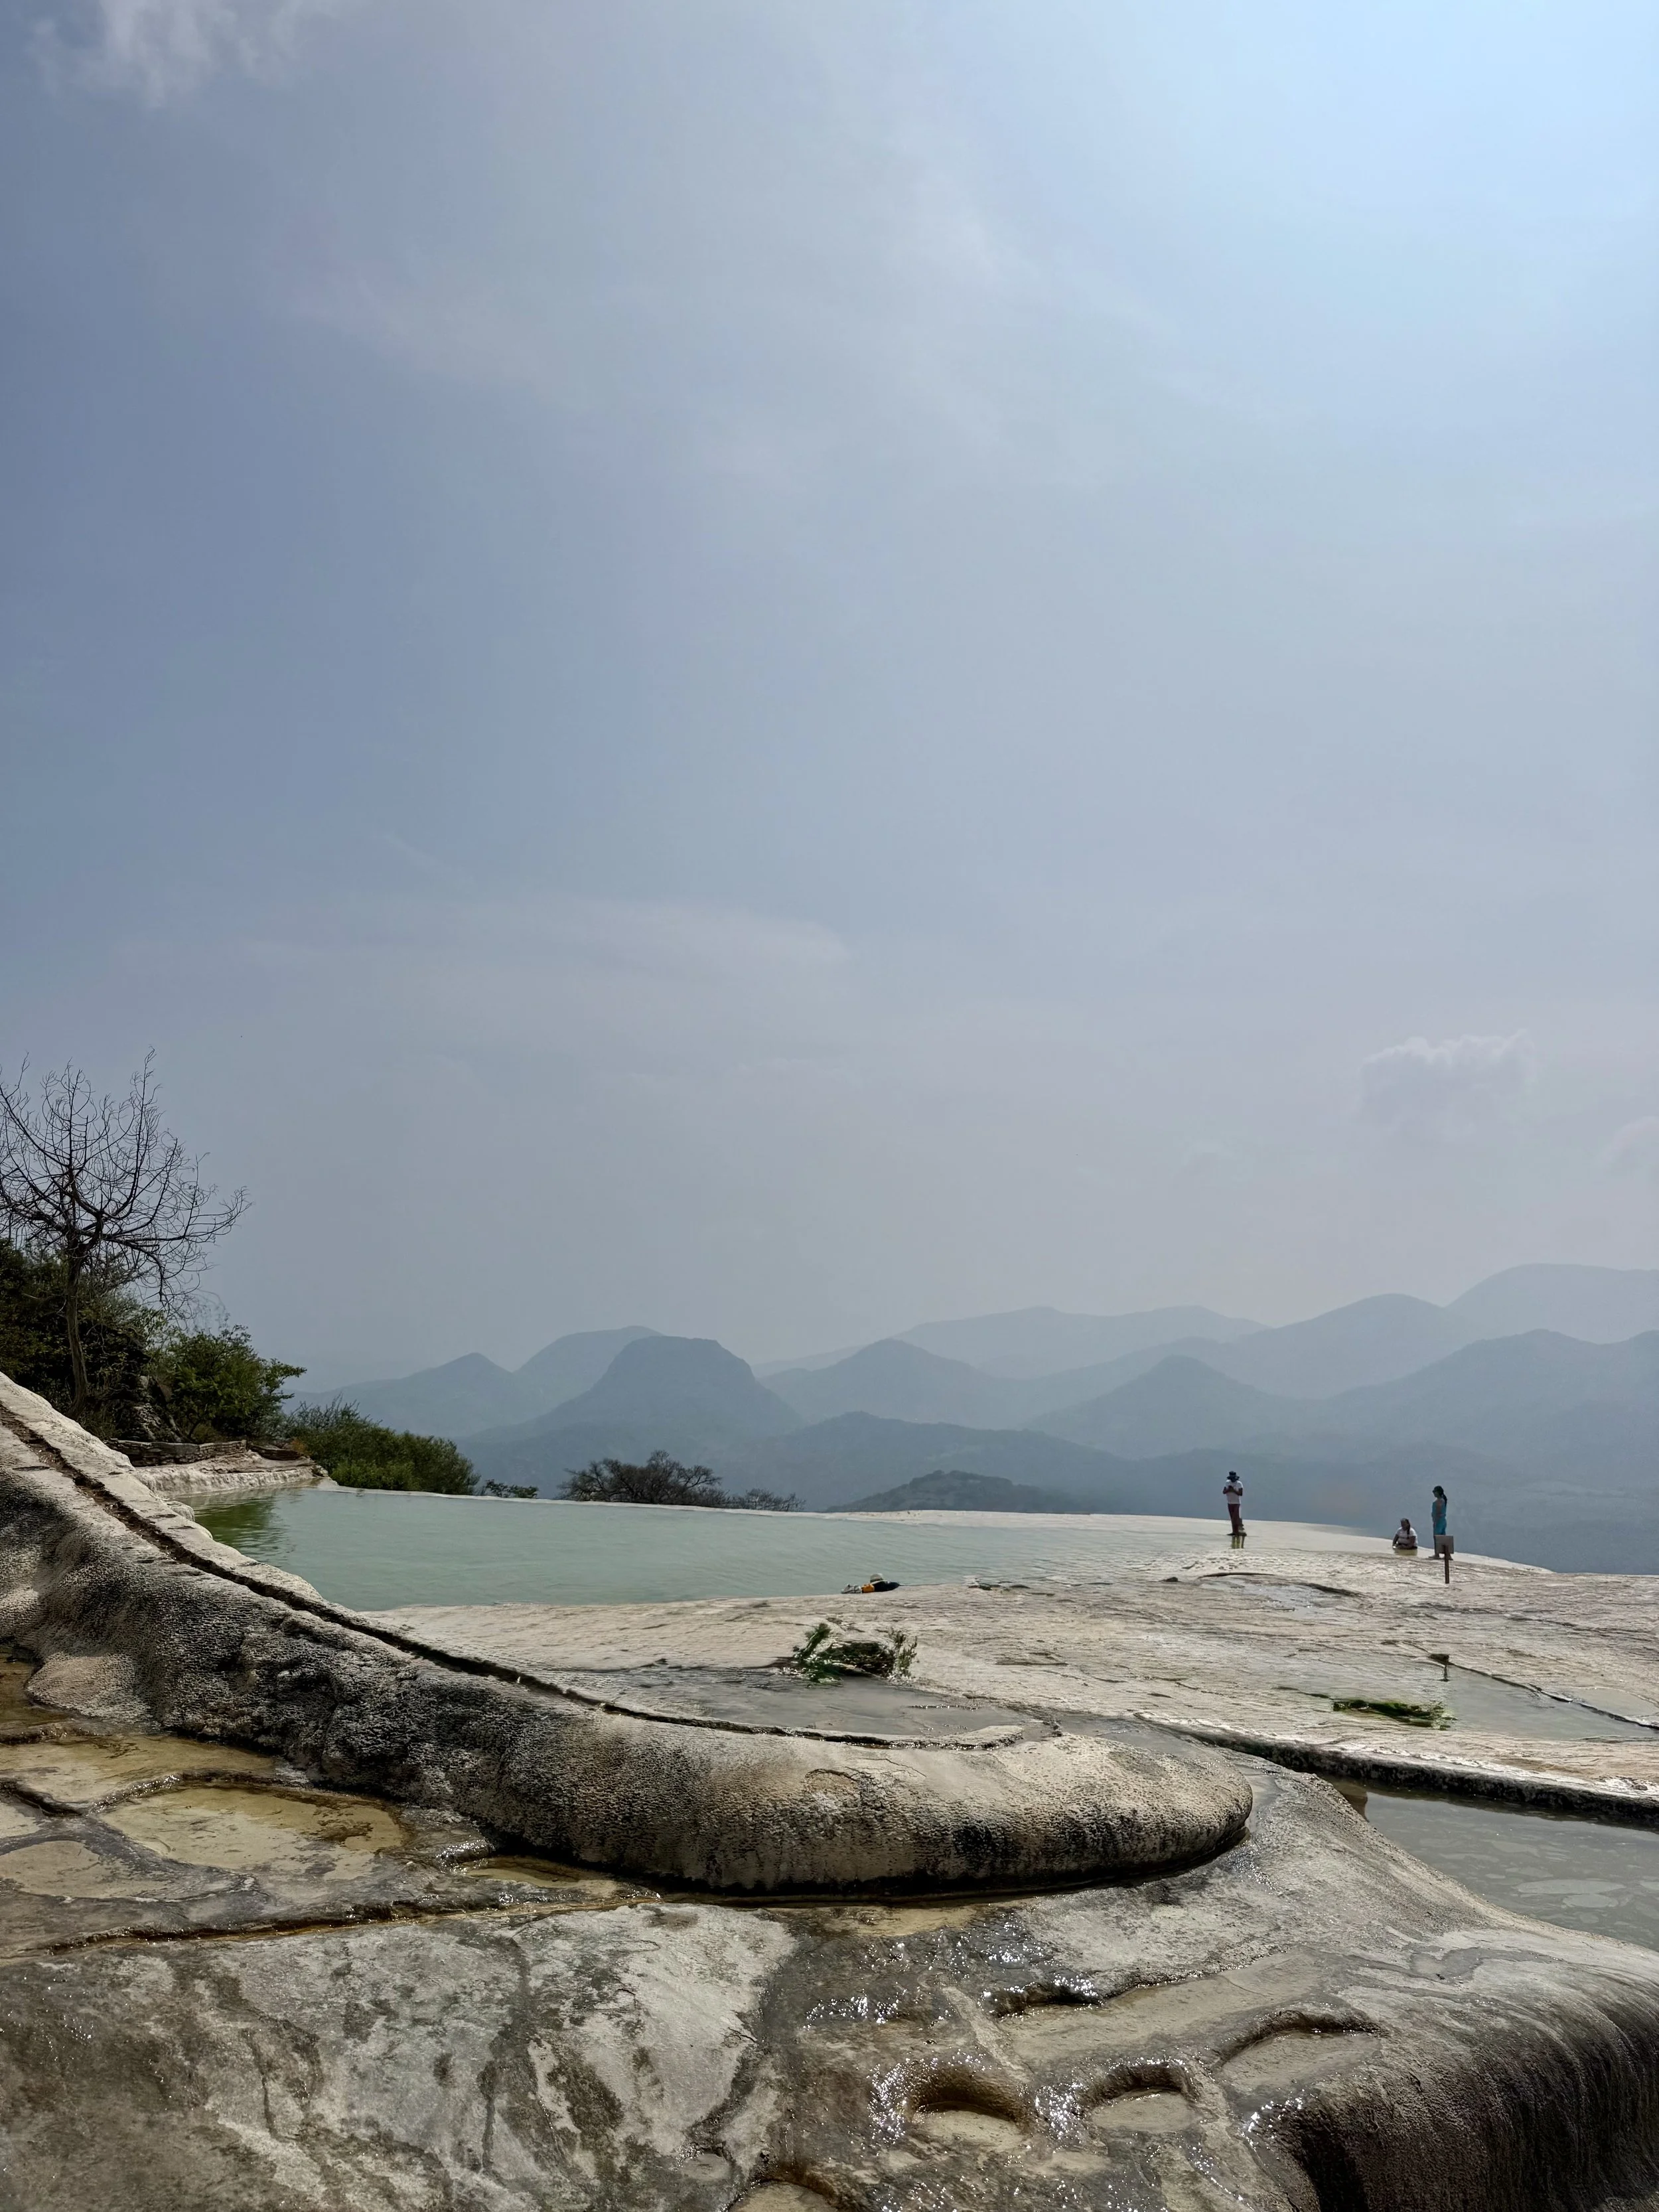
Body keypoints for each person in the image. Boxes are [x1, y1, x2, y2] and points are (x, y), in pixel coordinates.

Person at [1431, 1485, 1453, 1583]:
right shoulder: (1443, 1501)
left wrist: (1435, 1521)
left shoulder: (1439, 1502)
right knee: (1443, 1537)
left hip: (1439, 1521)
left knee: (1437, 1537)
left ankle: (1437, 1554)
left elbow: (1438, 1512)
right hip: (1443, 1520)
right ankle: (1446, 1554)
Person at [1223, 1469, 1245, 1547]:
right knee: (1232, 1518)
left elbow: (1240, 1493)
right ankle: (1234, 1532)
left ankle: (1238, 1532)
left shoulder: (1239, 1483)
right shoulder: (1227, 1483)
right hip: (1230, 1503)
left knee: (1236, 1518)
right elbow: (1224, 1492)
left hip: (1237, 1503)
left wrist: (1233, 1490)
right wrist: (1229, 1489)